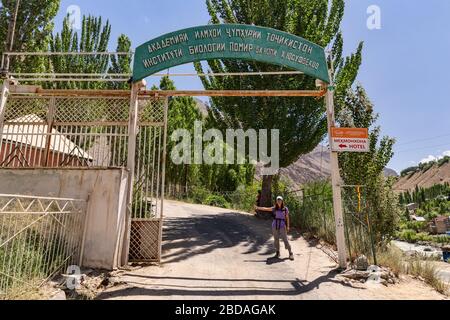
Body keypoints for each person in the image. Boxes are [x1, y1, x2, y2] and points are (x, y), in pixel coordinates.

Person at [255, 196, 294, 260]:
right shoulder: (274, 208)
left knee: (285, 240)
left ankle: (290, 253)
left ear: (282, 201)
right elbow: (266, 209)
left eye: (280, 200)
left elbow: (287, 218)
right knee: (276, 240)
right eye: (278, 200)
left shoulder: (285, 209)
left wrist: (288, 226)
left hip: (282, 225)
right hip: (275, 225)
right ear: (276, 201)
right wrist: (258, 207)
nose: (279, 201)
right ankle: (278, 252)